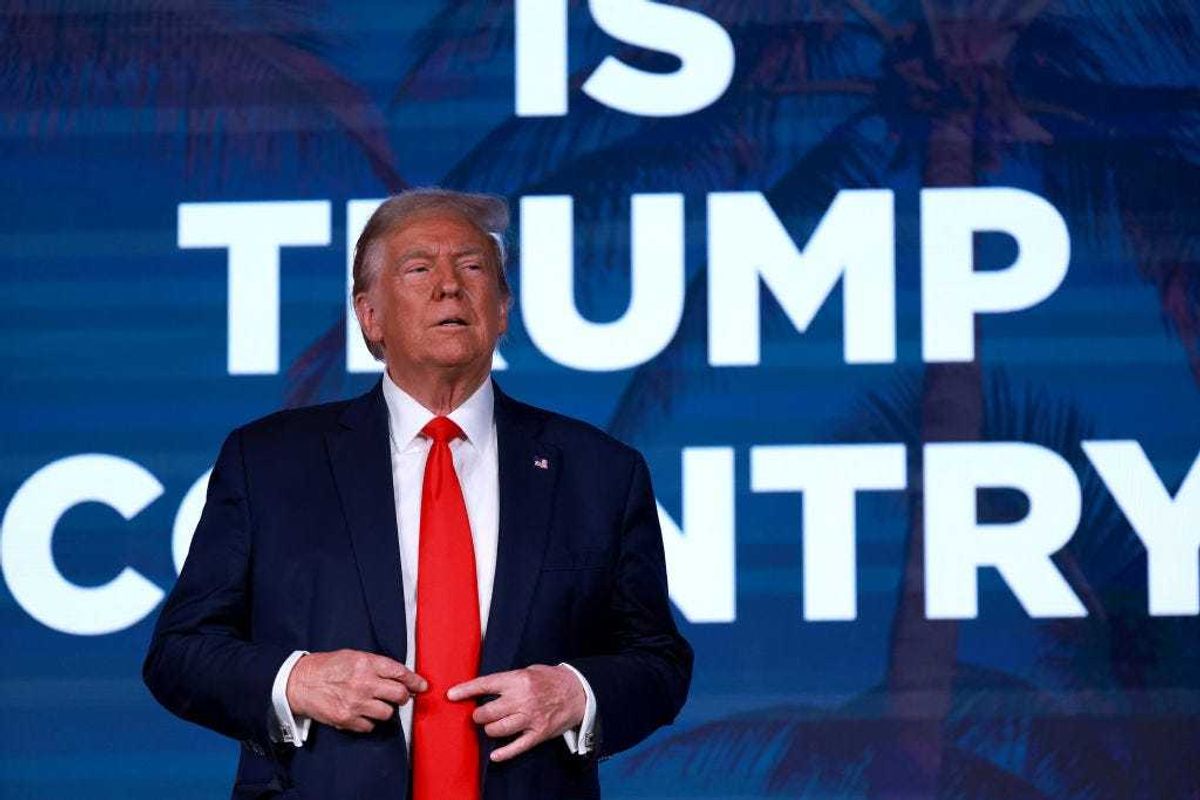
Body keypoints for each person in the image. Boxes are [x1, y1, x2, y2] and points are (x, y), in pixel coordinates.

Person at [143, 188, 693, 799]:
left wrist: (576, 693)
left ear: (503, 308)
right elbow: (180, 653)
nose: (450, 286)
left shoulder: (598, 471)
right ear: (369, 315)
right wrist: (295, 681)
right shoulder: (269, 463)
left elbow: (658, 661)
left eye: (473, 266)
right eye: (419, 268)